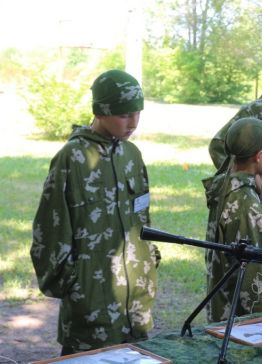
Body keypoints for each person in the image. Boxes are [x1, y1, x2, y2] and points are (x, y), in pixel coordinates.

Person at [30, 69, 160, 355]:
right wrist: (74, 284)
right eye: (124, 114)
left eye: (138, 112)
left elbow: (142, 218)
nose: (133, 122)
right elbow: (49, 230)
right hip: (91, 306)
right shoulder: (73, 158)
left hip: (135, 304)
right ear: (101, 111)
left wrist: (148, 258)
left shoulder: (132, 155)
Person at [203, 117, 262, 322]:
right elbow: (254, 273)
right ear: (259, 156)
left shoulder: (226, 185)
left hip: (222, 305)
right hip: (239, 319)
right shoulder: (246, 202)